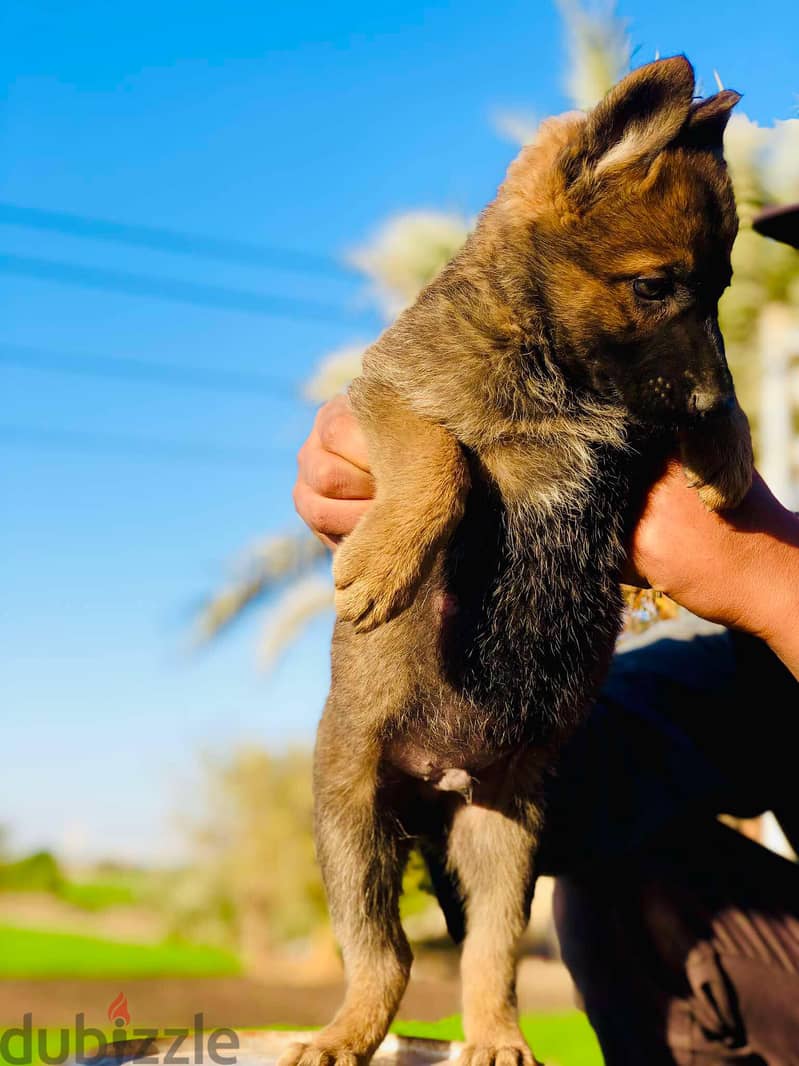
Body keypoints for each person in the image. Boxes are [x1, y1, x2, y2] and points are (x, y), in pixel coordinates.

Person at [292, 204, 799, 1065]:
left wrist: (765, 572)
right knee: (622, 856)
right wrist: (456, 508)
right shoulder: (747, 682)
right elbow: (569, 785)